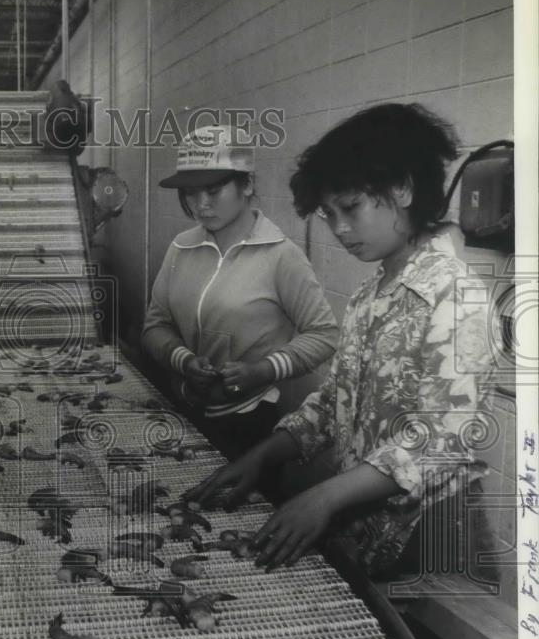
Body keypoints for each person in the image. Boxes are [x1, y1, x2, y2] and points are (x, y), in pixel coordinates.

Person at [184, 103, 495, 578]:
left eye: (351, 208)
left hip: (431, 539)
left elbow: (441, 440)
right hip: (369, 526)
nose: (340, 229)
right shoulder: (372, 294)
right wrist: (262, 455)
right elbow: (335, 403)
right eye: (329, 214)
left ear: (404, 189)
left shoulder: (458, 295)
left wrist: (324, 496)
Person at [142, 126, 339, 461]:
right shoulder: (182, 248)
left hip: (249, 422)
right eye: (190, 192)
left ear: (246, 183)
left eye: (214, 190)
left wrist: (262, 370)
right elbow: (155, 325)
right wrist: (185, 361)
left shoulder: (280, 254)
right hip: (183, 405)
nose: (201, 205)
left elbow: (324, 335)